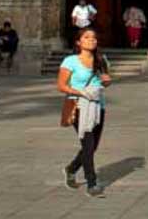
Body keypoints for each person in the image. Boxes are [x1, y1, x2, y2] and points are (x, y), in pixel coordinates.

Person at [57, 27, 111, 197]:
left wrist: (107, 81)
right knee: (87, 145)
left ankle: (71, 169)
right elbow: (61, 86)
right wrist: (81, 92)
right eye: (87, 37)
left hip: (97, 105)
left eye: (94, 38)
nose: (91, 40)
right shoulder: (70, 61)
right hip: (78, 105)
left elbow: (104, 81)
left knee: (92, 147)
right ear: (78, 42)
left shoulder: (101, 59)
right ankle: (92, 183)